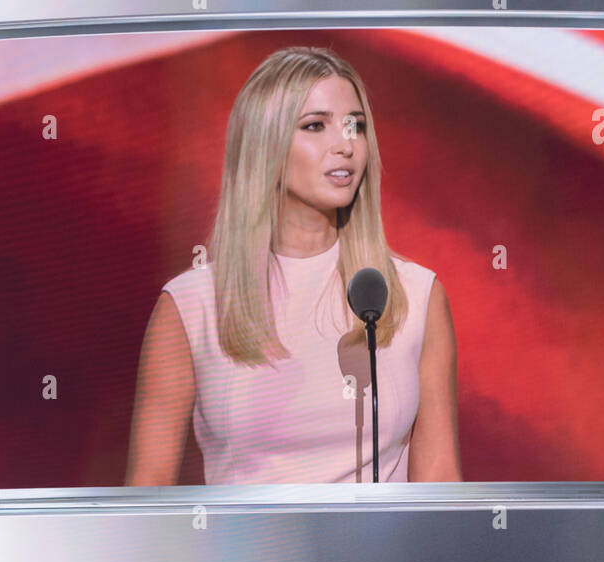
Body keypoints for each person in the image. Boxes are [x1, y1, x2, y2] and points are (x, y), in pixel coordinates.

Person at [126, 45, 461, 486]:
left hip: (385, 556)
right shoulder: (190, 307)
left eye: (354, 126)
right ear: (264, 143)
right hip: (250, 555)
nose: (344, 145)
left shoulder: (414, 295)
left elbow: (439, 483)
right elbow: (147, 494)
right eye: (315, 126)